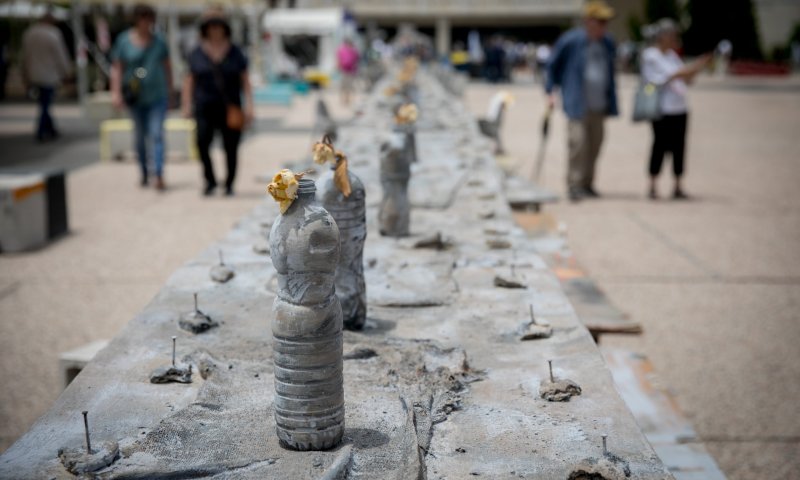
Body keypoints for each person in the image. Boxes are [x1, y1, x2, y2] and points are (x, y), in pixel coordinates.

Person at [545, 0, 618, 202]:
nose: (604, 26)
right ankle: (574, 184)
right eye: (600, 21)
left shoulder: (607, 42)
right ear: (588, 21)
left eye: (606, 22)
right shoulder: (571, 41)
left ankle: (588, 183)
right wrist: (550, 91)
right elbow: (552, 66)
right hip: (577, 103)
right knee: (578, 144)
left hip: (599, 104)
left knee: (595, 145)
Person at [182, 9, 253, 196]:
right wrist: (186, 103)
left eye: (218, 26)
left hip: (230, 106)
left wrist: (250, 106)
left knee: (231, 146)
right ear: (206, 29)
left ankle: (229, 183)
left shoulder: (235, 51)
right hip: (205, 105)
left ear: (225, 28)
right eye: (211, 26)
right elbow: (190, 80)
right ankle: (210, 180)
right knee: (202, 143)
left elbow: (245, 80)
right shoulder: (197, 52)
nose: (215, 30)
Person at [641, 19, 711, 200]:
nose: (674, 39)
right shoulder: (651, 55)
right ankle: (652, 185)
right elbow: (662, 78)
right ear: (662, 36)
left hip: (679, 108)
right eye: (671, 35)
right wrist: (691, 68)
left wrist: (697, 67)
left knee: (679, 147)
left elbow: (686, 78)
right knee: (659, 147)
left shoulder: (672, 55)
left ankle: (678, 185)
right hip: (662, 109)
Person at [110, 4, 172, 190]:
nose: (146, 23)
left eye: (148, 18)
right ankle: (144, 171)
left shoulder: (159, 41)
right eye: (142, 18)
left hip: (157, 95)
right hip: (135, 97)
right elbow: (117, 68)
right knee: (139, 137)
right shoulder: (124, 41)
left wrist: (171, 93)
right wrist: (116, 92)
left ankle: (158, 173)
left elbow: (167, 68)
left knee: (156, 134)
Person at [21, 9, 72, 142]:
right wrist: (66, 72)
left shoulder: (29, 33)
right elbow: (60, 55)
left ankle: (51, 128)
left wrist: (25, 74)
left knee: (44, 102)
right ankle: (42, 130)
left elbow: (24, 57)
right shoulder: (53, 34)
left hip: (34, 74)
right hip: (49, 74)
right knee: (45, 104)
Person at [337, 38, 359, 107]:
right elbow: (339, 59)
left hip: (350, 71)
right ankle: (344, 99)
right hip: (345, 71)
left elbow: (357, 60)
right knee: (344, 86)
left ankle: (347, 99)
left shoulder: (353, 51)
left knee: (348, 86)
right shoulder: (343, 50)